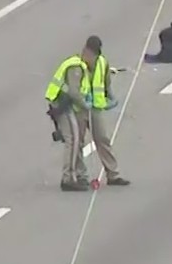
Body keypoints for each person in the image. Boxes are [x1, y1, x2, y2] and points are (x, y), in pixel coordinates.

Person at [44, 35, 129, 191]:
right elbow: (74, 92)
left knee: (102, 138)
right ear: (85, 51)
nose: (90, 58)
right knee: (78, 141)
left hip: (95, 108)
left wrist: (111, 99)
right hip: (78, 109)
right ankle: (80, 175)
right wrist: (84, 104)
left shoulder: (102, 63)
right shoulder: (75, 66)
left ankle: (113, 174)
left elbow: (106, 84)